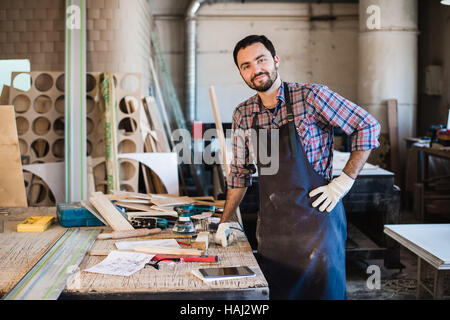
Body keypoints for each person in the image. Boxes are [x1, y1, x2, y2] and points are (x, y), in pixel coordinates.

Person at [215, 35, 381, 300]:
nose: (255, 69)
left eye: (261, 60)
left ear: (276, 60)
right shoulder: (243, 114)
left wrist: (344, 182)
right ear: (241, 73)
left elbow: (368, 126)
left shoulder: (311, 97)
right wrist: (225, 222)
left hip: (318, 227)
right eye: (246, 65)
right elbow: (239, 173)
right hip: (273, 232)